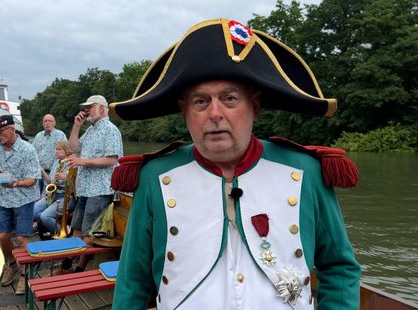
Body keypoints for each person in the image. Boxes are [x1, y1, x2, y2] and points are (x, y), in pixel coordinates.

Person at [109, 19, 361, 309]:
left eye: (229, 98)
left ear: (254, 105)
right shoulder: (156, 176)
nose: (215, 114)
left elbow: (339, 268)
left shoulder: (307, 171)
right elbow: (133, 282)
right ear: (184, 111)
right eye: (201, 102)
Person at [66, 95, 123, 273]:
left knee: (88, 232)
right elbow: (73, 148)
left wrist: (82, 162)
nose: (86, 110)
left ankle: (80, 268)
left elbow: (112, 159)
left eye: (89, 107)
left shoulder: (110, 130)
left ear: (101, 108)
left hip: (100, 188)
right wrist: (76, 126)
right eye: (86, 107)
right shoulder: (90, 130)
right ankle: (67, 263)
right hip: (85, 188)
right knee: (76, 228)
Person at [0, 114, 40, 295]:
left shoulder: (28, 149)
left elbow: (33, 179)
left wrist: (15, 183)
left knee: (23, 238)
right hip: (3, 198)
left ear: (12, 129)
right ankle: (12, 265)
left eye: (1, 131)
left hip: (23, 198)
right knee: (2, 236)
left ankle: (26, 274)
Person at [33, 141, 75, 234]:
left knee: (45, 216)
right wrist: (42, 171)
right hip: (53, 194)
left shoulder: (72, 163)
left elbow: (77, 183)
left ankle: (63, 233)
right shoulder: (57, 162)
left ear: (67, 150)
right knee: (32, 212)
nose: (56, 151)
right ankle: (56, 228)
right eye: (56, 149)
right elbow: (50, 182)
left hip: (66, 196)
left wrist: (67, 177)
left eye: (59, 149)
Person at [31, 114, 67, 193]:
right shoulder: (38, 136)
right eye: (45, 121)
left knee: (47, 197)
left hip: (52, 173)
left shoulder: (60, 135)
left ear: (54, 123)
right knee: (37, 197)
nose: (47, 123)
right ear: (42, 123)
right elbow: (32, 153)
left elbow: (65, 152)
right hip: (38, 173)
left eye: (50, 121)